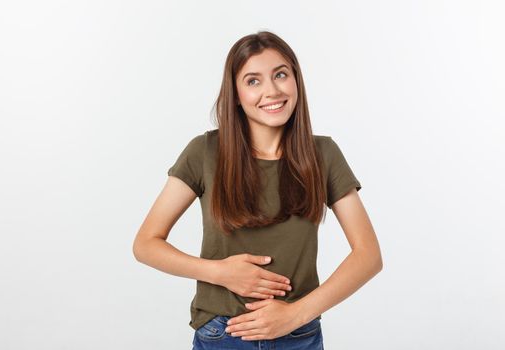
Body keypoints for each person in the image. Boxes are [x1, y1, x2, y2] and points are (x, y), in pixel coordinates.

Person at [132, 30, 382, 350]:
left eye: (280, 75)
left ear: (296, 80)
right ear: (236, 94)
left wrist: (296, 314)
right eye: (253, 81)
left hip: (299, 334)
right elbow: (146, 244)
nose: (271, 91)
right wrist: (221, 273)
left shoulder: (324, 154)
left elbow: (369, 255)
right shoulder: (204, 152)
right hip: (223, 334)